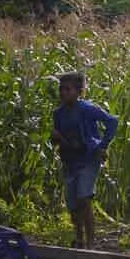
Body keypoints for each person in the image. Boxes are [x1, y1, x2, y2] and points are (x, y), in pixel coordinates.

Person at [51, 72, 118, 248]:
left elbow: (112, 121)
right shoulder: (58, 113)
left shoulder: (87, 109)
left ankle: (90, 241)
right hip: (69, 161)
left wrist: (102, 145)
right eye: (61, 89)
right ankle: (78, 237)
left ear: (80, 91)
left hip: (88, 159)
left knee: (84, 198)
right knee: (72, 203)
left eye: (68, 89)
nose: (64, 93)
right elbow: (59, 137)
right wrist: (56, 137)